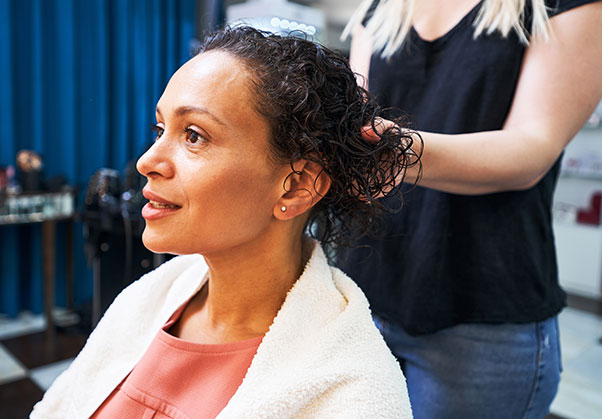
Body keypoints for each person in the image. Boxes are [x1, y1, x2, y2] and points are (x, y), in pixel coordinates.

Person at [30, 26, 416, 418]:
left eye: (194, 136)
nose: (147, 161)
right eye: (160, 129)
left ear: (296, 186)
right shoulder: (147, 300)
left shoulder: (352, 393)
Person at [336, 0, 602, 417]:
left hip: (481, 312)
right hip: (362, 295)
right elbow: (356, 127)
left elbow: (531, 147)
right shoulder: (385, 0)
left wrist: (389, 150)